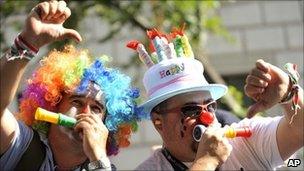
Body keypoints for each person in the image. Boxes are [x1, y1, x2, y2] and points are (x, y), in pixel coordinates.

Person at [126, 27, 303, 170]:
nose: (208, 118)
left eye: (210, 107)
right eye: (191, 110)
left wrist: (289, 93)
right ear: (158, 122)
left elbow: (299, 131)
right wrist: (206, 162)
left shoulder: (247, 141)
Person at [0, 1, 146, 170]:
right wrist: (27, 42)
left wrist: (98, 157)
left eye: (97, 109)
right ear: (53, 106)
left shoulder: (103, 166)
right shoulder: (22, 147)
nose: (85, 114)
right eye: (76, 102)